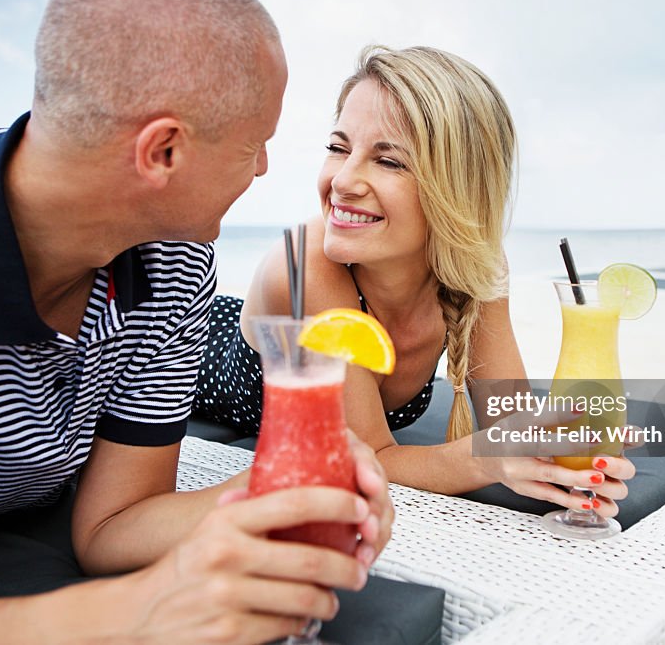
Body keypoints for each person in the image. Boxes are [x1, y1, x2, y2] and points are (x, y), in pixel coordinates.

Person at [0, 0, 394, 643]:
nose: (263, 169)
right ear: (163, 150)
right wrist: (131, 610)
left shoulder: (172, 257)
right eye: (254, 144)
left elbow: (114, 524)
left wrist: (284, 495)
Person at [193, 45, 636, 513]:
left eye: (388, 161)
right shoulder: (305, 265)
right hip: (197, 343)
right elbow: (366, 459)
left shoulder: (474, 267)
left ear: (458, 187)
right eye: (338, 148)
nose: (343, 180)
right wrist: (487, 460)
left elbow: (511, 423)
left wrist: (564, 451)